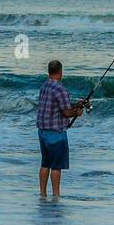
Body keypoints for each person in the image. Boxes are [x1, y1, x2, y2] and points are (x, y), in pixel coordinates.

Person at [36, 59, 86, 196]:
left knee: (45, 164)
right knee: (56, 166)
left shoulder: (44, 86)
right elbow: (66, 112)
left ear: (49, 72)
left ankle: (43, 194)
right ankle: (56, 195)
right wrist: (78, 112)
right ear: (61, 72)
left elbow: (61, 105)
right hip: (56, 134)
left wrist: (77, 104)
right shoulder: (60, 88)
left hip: (42, 132)